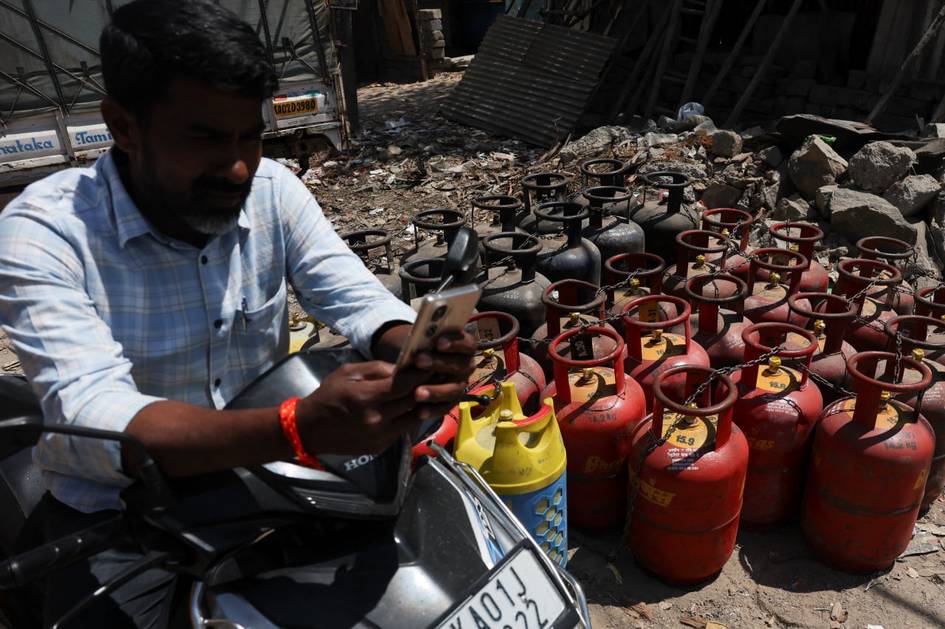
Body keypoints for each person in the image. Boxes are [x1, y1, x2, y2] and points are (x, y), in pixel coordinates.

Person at [0, 1, 475, 627]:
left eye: (249, 135)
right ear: (123, 125)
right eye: (204, 138)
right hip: (118, 511)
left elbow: (354, 298)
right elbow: (95, 411)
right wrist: (297, 427)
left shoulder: (274, 190)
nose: (237, 167)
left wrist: (414, 349)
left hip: (266, 478)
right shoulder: (45, 233)